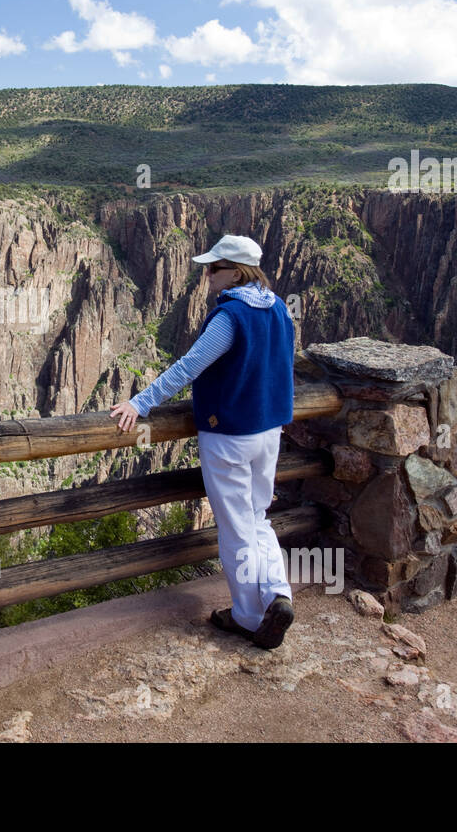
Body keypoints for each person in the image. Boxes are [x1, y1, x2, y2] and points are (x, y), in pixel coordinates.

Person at [110, 234, 296, 649]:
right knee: (258, 516)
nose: (207, 274)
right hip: (270, 433)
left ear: (235, 271)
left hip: (230, 436)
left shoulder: (230, 317)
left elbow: (190, 366)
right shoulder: (279, 308)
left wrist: (141, 402)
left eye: (213, 268)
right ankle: (278, 594)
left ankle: (248, 617)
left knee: (235, 530)